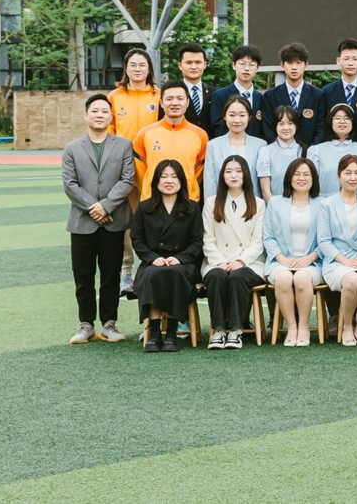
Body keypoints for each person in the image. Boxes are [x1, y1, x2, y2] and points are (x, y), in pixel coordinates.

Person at [62, 93, 136, 345]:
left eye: (104, 111)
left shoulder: (124, 145)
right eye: (95, 111)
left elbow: (127, 179)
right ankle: (85, 324)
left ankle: (109, 324)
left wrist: (106, 206)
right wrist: (93, 207)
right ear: (86, 115)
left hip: (114, 221)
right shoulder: (72, 148)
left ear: (111, 116)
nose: (100, 115)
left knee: (110, 275)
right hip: (82, 223)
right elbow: (70, 184)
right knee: (83, 276)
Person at [130, 159, 203, 353]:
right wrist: (152, 258)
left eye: (174, 176)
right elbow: (137, 239)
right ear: (156, 181)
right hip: (152, 261)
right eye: (164, 176)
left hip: (183, 262)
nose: (169, 181)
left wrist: (181, 258)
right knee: (152, 274)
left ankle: (171, 332)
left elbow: (197, 241)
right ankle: (154, 333)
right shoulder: (144, 208)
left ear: (181, 181)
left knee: (174, 273)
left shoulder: (192, 208)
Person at [108, 46, 160, 296]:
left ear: (149, 69)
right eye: (133, 65)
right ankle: (126, 272)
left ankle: (149, 267)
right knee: (127, 223)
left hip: (152, 168)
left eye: (142, 65)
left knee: (152, 220)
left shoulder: (159, 96)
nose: (137, 69)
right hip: (123, 169)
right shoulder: (114, 97)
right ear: (126, 69)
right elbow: (109, 133)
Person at [200, 154, 265, 349]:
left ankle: (236, 331)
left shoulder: (258, 203)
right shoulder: (211, 202)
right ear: (222, 176)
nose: (234, 175)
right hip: (217, 260)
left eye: (238, 171)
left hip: (250, 262)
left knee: (238, 276)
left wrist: (241, 261)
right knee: (217, 276)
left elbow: (258, 241)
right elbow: (207, 238)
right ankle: (219, 330)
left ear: (245, 174)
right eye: (228, 171)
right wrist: (220, 261)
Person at [318, 155, 357, 346]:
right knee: (352, 280)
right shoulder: (327, 204)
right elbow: (324, 241)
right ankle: (347, 326)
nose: (353, 178)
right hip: (337, 262)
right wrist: (347, 262)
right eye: (348, 173)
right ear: (339, 175)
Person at [262, 158, 324, 346]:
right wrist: (283, 260)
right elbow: (268, 236)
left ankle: (303, 326)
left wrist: (309, 258)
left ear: (313, 178)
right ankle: (291, 326)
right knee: (283, 278)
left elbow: (327, 238)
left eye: (306, 174)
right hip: (280, 261)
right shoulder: (275, 202)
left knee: (302, 278)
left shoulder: (323, 203)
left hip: (313, 262)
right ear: (289, 177)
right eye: (297, 174)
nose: (301, 178)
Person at [132, 81, 209, 202]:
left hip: (188, 201)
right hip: (152, 201)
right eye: (169, 99)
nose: (175, 103)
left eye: (180, 98)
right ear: (161, 103)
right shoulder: (145, 134)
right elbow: (139, 171)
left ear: (187, 102)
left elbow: (199, 172)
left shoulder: (200, 135)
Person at [316, 39, 357, 146]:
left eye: (355, 59)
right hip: (335, 146)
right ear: (338, 61)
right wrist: (341, 142)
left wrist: (353, 144)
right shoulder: (327, 91)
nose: (350, 63)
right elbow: (326, 122)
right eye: (346, 59)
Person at [263, 43, 325, 151]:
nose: (294, 67)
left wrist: (309, 152)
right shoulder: (270, 96)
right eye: (290, 63)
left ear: (306, 65)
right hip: (279, 153)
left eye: (299, 63)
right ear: (282, 65)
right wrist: (280, 151)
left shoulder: (318, 95)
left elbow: (321, 128)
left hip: (310, 155)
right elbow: (268, 129)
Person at [309, 104, 357, 197]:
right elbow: (311, 186)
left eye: (347, 118)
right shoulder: (316, 151)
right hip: (324, 203)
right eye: (337, 118)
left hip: (356, 203)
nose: (342, 121)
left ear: (353, 122)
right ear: (330, 121)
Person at [203, 96, 267, 201]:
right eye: (232, 115)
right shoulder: (213, 145)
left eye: (242, 115)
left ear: (249, 117)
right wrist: (211, 207)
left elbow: (263, 182)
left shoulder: (261, 145)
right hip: (222, 203)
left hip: (253, 203)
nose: (237, 120)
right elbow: (210, 182)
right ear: (224, 117)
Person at [209, 44, 268, 140]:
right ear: (234, 65)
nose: (247, 68)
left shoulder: (262, 99)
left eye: (252, 65)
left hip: (257, 147)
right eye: (242, 64)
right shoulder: (219, 96)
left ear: (257, 68)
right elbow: (218, 128)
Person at [256, 106, 303, 201]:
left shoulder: (305, 150)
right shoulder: (266, 152)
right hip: (275, 206)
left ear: (296, 126)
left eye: (290, 123)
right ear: (275, 126)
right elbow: (265, 191)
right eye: (281, 124)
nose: (286, 128)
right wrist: (274, 208)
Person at [176, 42, 213, 133]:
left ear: (204, 65)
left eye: (198, 62)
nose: (193, 67)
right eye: (189, 63)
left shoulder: (214, 93)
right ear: (180, 66)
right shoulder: (172, 93)